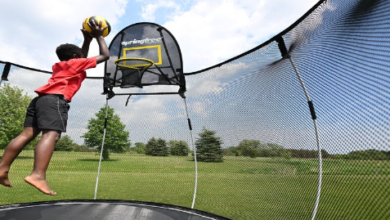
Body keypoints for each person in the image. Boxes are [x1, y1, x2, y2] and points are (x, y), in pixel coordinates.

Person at [0, 20, 110, 195]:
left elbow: (81, 57)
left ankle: (2, 168)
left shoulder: (64, 65)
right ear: (76, 58)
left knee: (26, 134)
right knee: (52, 134)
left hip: (40, 100)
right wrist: (98, 37)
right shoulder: (75, 64)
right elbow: (105, 55)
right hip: (55, 100)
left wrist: (87, 40)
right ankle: (38, 175)